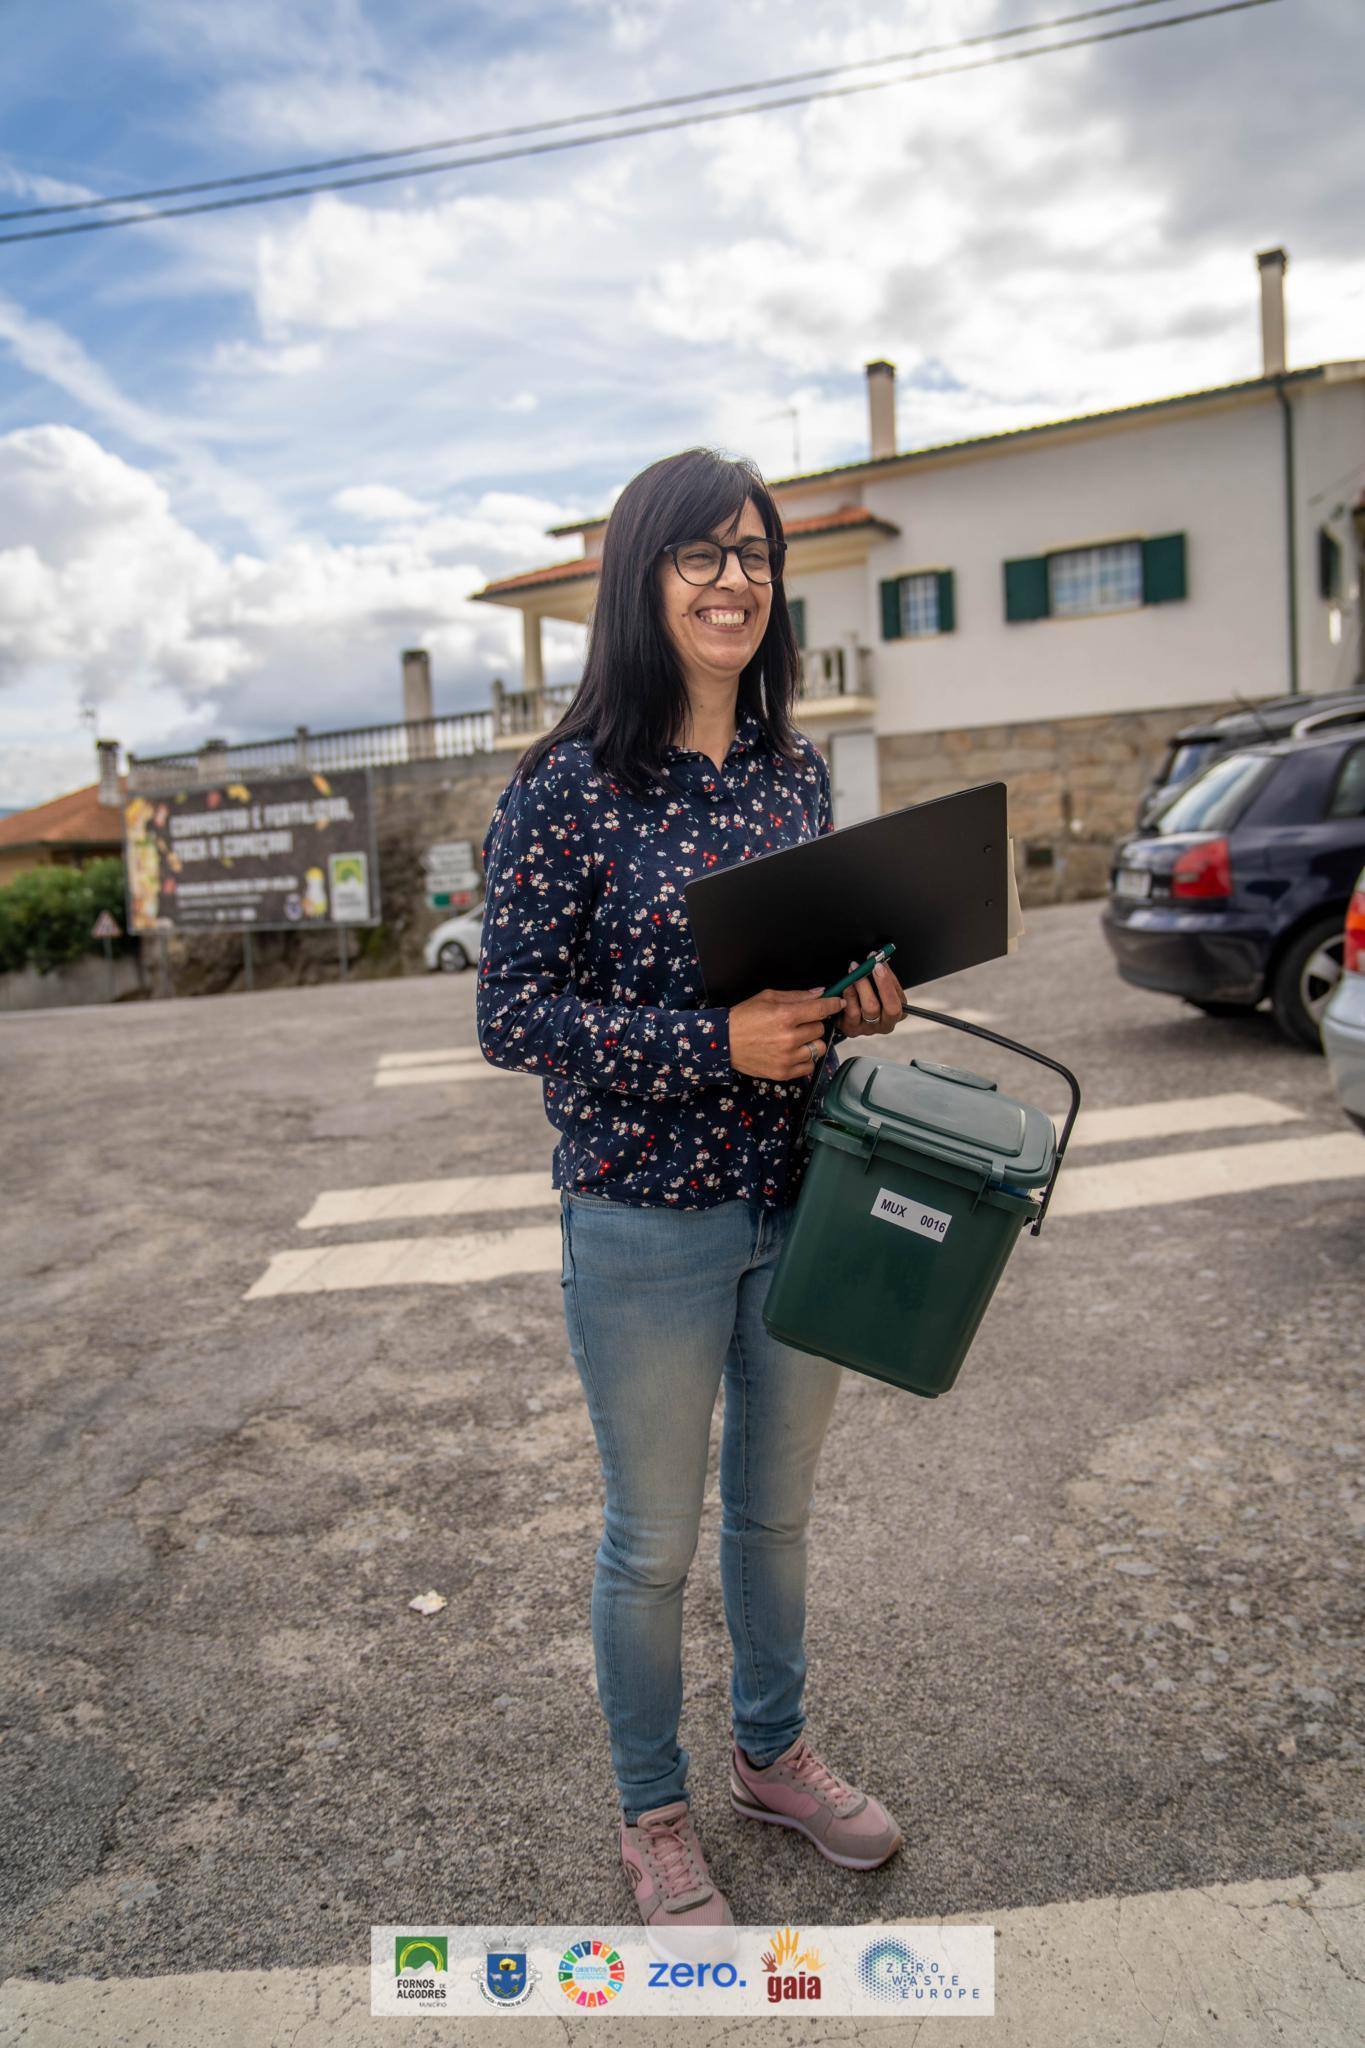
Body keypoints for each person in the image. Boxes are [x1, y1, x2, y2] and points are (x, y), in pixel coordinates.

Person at [476, 447, 909, 1949]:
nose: (735, 581)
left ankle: (772, 1757)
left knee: (772, 1522)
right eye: (699, 555)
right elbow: (508, 1013)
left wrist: (861, 996)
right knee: (650, 1539)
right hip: (639, 1219)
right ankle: (652, 1813)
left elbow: (816, 954)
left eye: (756, 555)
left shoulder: (797, 771)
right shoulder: (565, 786)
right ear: (639, 580)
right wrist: (702, 1043)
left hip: (798, 1199)